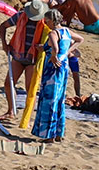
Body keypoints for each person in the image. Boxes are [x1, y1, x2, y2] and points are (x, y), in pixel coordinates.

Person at [0, 0, 49, 120]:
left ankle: (28, 118)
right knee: (8, 84)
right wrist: (4, 44)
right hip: (18, 55)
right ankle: (11, 111)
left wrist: (45, 47)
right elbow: (3, 26)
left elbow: (54, 37)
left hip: (34, 59)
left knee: (30, 90)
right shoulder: (20, 16)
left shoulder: (45, 21)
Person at [30, 10, 73, 142]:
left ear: (52, 21)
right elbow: (79, 39)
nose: (45, 23)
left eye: (47, 20)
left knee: (50, 99)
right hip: (64, 67)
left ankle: (49, 135)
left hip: (52, 68)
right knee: (59, 98)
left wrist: (54, 55)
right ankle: (59, 133)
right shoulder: (66, 31)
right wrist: (66, 53)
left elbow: (55, 47)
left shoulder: (53, 33)